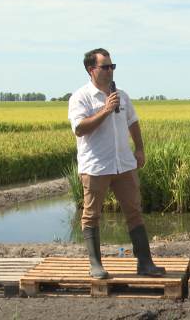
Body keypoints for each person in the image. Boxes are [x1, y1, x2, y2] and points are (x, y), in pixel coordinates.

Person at [68, 48, 166, 279]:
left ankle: (144, 263)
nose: (110, 71)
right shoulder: (80, 97)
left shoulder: (122, 94)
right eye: (105, 67)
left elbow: (132, 121)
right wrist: (106, 109)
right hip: (96, 166)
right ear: (91, 70)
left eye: (112, 66)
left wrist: (139, 148)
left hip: (124, 164)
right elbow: (79, 128)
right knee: (91, 215)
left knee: (134, 212)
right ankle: (96, 265)